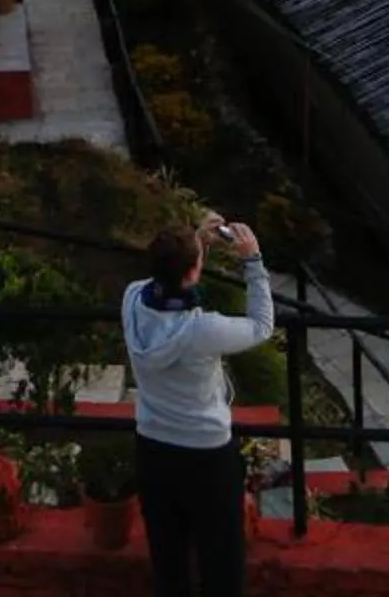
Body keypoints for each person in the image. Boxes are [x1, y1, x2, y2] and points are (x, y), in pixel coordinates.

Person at [118, 212, 273, 597]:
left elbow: (166, 279)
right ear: (192, 272)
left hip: (153, 448)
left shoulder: (132, 299)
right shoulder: (202, 329)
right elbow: (261, 326)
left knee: (168, 559)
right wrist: (253, 261)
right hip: (207, 456)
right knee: (220, 560)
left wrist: (196, 244)